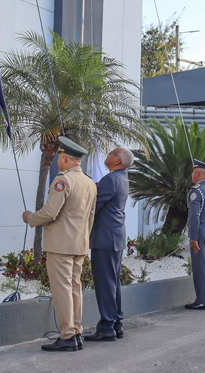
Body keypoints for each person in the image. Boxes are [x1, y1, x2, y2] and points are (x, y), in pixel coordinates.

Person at [22, 137, 97, 352]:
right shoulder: (90, 182)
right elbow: (90, 217)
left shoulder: (62, 180)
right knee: (75, 288)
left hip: (60, 245)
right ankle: (76, 332)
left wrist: (30, 218)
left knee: (62, 290)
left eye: (58, 158)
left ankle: (67, 336)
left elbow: (49, 212)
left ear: (64, 158)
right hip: (79, 244)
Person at [85, 147, 134, 342]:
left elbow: (93, 208)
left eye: (113, 152)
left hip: (105, 239)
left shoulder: (111, 179)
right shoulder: (121, 178)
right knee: (113, 283)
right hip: (115, 237)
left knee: (105, 284)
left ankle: (106, 326)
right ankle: (116, 323)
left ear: (117, 161)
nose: (109, 153)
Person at [184, 160, 205, 310]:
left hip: (200, 233)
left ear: (197, 174)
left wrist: (193, 238)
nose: (192, 175)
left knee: (200, 268)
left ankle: (202, 300)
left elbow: (194, 217)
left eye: (193, 172)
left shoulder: (196, 191)